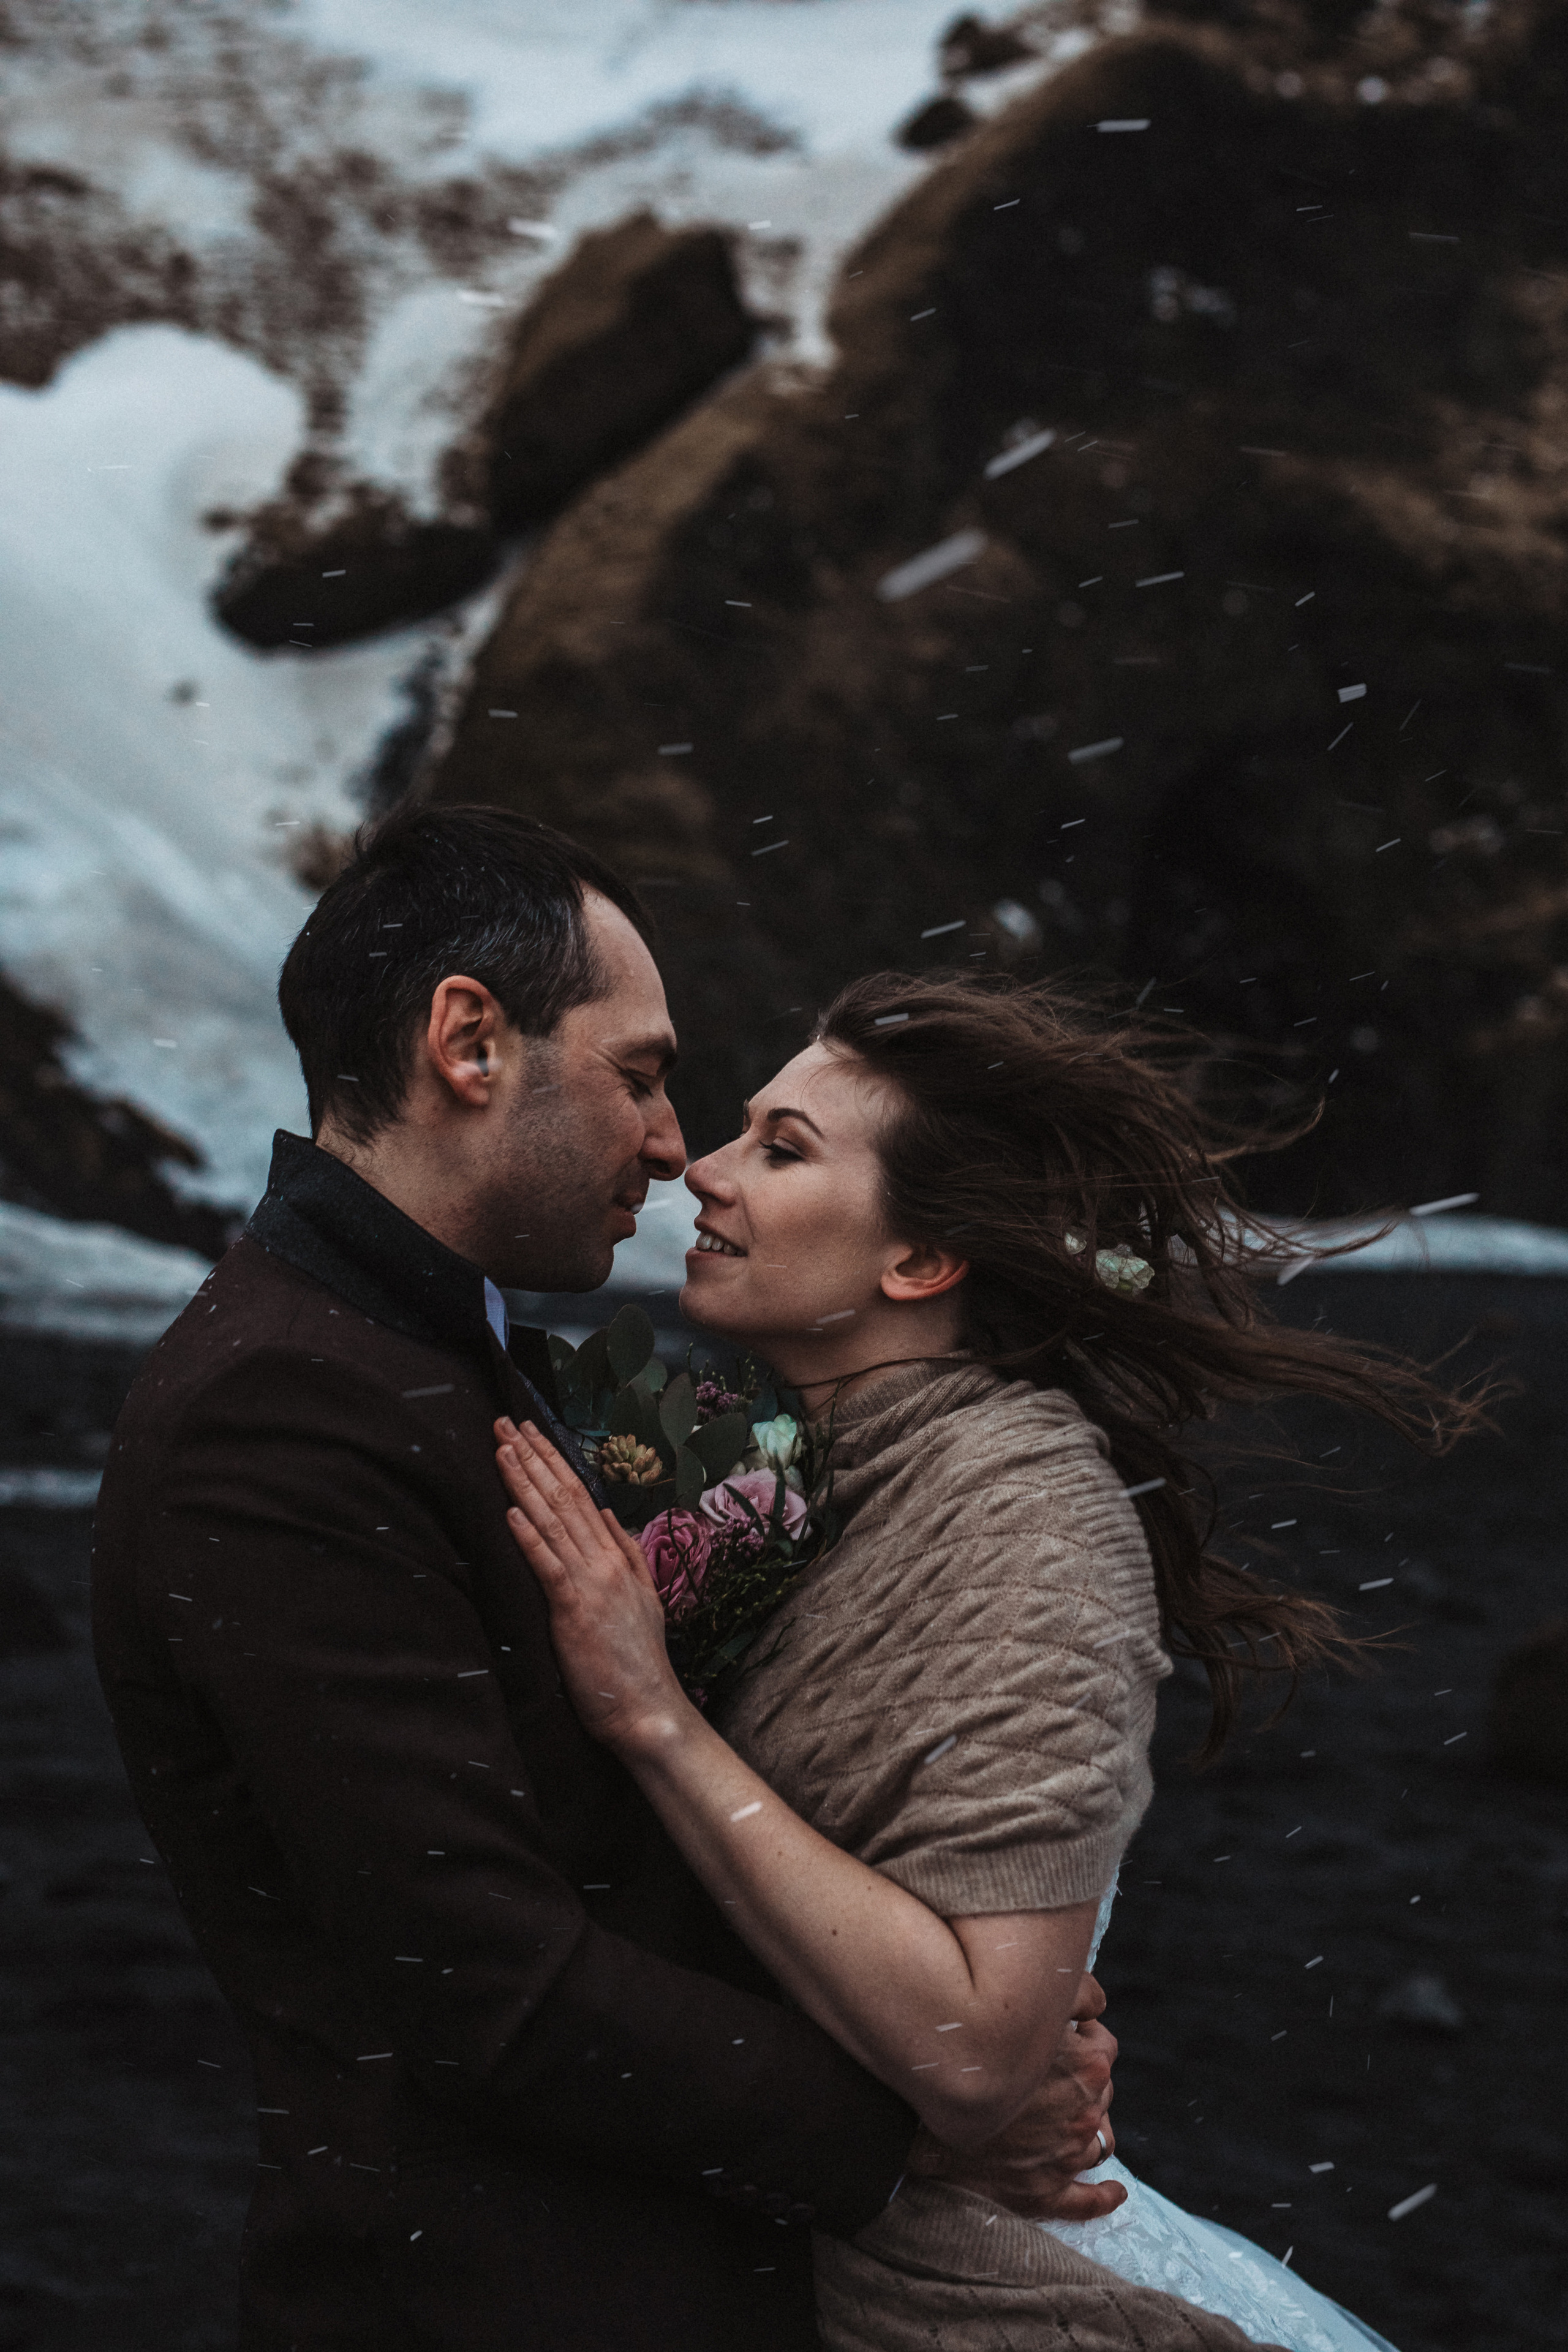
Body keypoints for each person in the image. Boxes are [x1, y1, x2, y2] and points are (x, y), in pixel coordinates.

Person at [91, 807, 1133, 2352]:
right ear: (468, 1042)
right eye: (639, 1075)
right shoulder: (283, 1408)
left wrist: (978, 2014)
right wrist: (919, 2122)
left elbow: (597, 1866)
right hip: (491, 2299)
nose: (670, 1142)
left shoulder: (423, 1350)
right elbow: (484, 1982)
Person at [494, 968, 1487, 2352]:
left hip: (976, 2281)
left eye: (781, 1152)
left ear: (917, 1263)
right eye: (736, 1133)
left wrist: (653, 1718)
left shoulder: (1026, 1518)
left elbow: (971, 2051)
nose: (703, 1175)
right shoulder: (805, 1472)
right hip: (759, 2224)